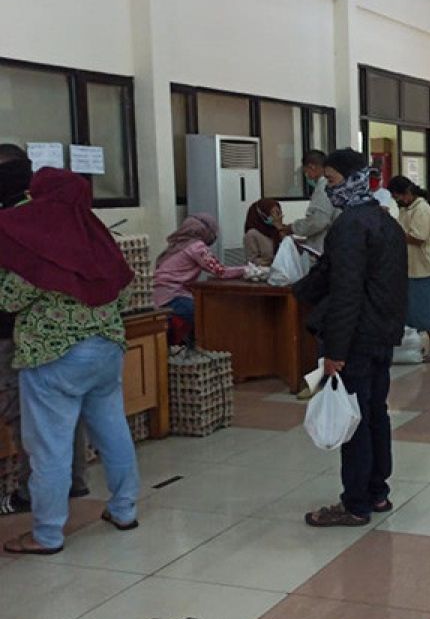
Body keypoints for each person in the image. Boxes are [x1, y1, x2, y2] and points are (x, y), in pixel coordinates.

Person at [0, 168, 140, 555]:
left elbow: (8, 300)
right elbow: (123, 292)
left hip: (53, 357)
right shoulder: (97, 236)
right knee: (113, 432)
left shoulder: (39, 242)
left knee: (49, 447)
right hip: (106, 351)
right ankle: (124, 510)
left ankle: (46, 534)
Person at [295, 149, 406, 527]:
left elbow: (346, 293)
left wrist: (335, 351)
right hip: (380, 336)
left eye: (332, 178)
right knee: (376, 413)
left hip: (356, 338)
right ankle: (377, 492)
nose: (328, 186)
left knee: (353, 420)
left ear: (354, 178)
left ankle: (354, 502)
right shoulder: (384, 221)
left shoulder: (349, 227)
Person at [0, 146, 89, 517]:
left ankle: (31, 493)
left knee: (25, 415)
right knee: (67, 412)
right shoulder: (53, 215)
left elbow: (15, 289)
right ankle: (74, 479)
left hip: (17, 332)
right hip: (66, 333)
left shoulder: (15, 220)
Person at [153, 214, 249, 342]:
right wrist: (247, 270)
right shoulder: (196, 246)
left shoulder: (178, 244)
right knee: (207, 316)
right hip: (173, 296)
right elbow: (220, 271)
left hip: (159, 296)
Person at [391, 176, 430, 362]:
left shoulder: (422, 209)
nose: (397, 201)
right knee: (410, 308)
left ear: (407, 193)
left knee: (426, 307)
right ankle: (414, 345)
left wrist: (395, 234)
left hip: (423, 265)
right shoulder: (407, 209)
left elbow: (419, 237)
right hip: (409, 266)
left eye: (398, 196)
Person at [280, 150, 338, 253]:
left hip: (323, 248)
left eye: (306, 171)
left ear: (312, 167)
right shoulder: (326, 186)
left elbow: (318, 221)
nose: (306, 175)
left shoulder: (324, 187)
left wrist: (293, 228)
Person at [243, 198, 284, 267]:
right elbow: (252, 261)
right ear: (263, 215)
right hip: (264, 272)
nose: (277, 217)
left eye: (278, 213)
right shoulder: (252, 234)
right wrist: (272, 261)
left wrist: (280, 229)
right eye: (272, 213)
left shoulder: (277, 230)